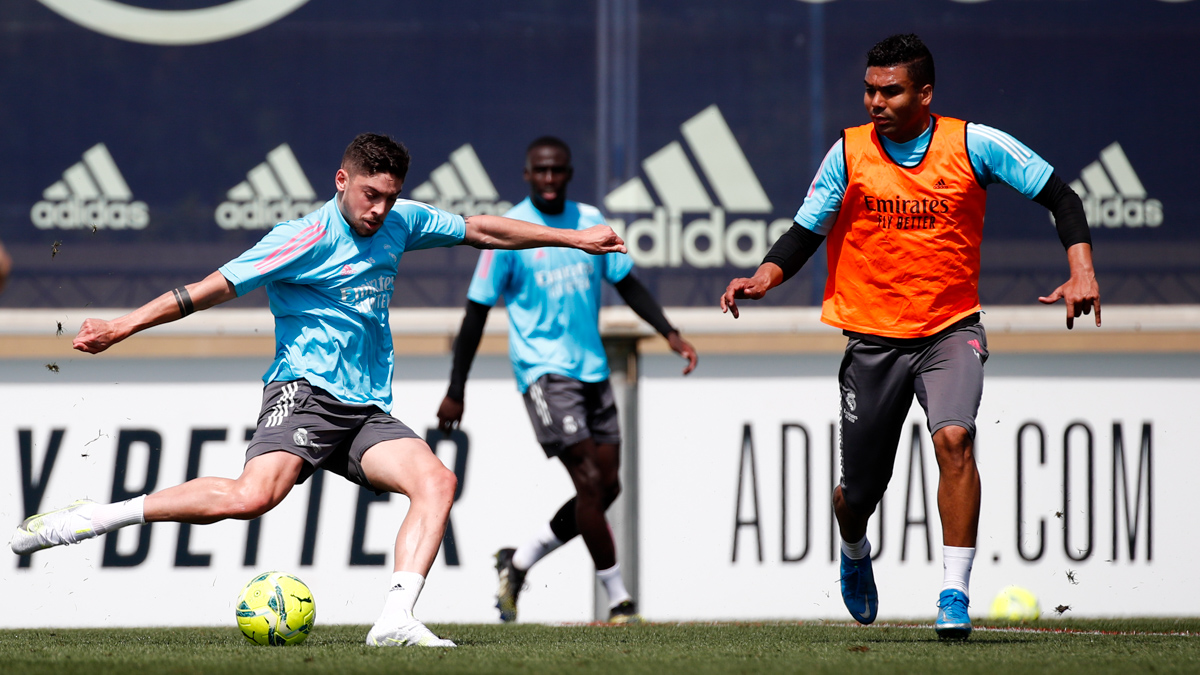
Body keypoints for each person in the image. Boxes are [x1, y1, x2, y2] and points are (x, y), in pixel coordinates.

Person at [10, 132, 626, 648]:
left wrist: (575, 238)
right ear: (340, 180)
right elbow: (205, 291)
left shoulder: (400, 223)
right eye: (369, 194)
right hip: (303, 392)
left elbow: (481, 229)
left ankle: (394, 619)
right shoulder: (299, 239)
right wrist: (121, 325)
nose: (379, 209)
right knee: (252, 498)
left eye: (389, 197)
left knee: (436, 481)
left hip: (364, 409)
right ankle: (93, 518)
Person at [720, 34, 1100, 639]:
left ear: (924, 93)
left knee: (954, 440)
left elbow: (1061, 193)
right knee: (858, 494)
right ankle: (853, 547)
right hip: (871, 341)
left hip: (950, 330)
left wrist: (1081, 269)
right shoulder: (847, 153)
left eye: (890, 91)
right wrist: (764, 277)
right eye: (869, 90)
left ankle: (953, 594)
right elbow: (804, 231)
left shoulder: (974, 145)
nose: (876, 101)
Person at [436, 136, 697, 624]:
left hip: (593, 370)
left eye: (558, 171)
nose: (550, 179)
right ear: (527, 175)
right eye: (541, 171)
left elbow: (626, 281)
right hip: (543, 373)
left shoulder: (588, 220)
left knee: (607, 487)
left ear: (568, 174)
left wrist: (671, 333)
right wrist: (456, 390)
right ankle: (621, 602)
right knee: (591, 483)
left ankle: (518, 561)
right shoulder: (509, 230)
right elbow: (475, 314)